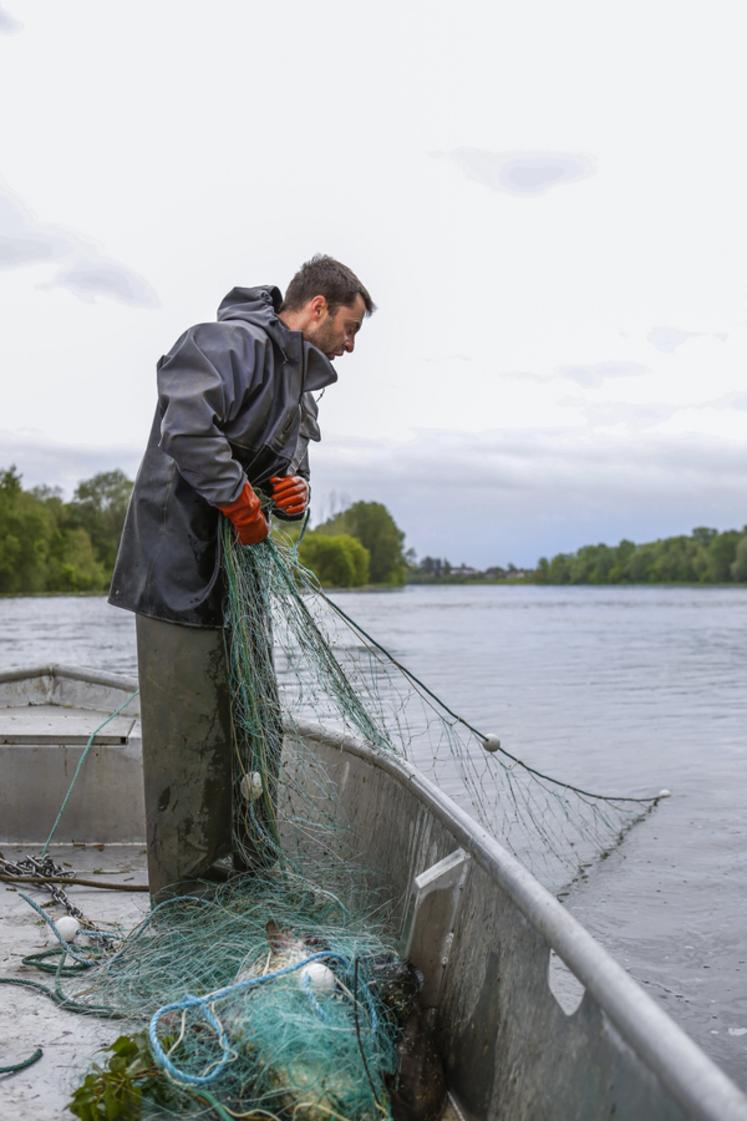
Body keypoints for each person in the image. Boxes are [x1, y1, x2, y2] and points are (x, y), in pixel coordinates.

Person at [109, 255, 375, 897]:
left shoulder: (300, 393)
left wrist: (290, 497)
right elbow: (188, 428)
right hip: (176, 577)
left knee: (257, 728)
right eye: (350, 326)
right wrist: (239, 501)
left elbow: (288, 484)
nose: (351, 343)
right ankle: (187, 897)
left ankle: (252, 873)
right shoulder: (222, 344)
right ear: (317, 307)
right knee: (191, 739)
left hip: (242, 587)